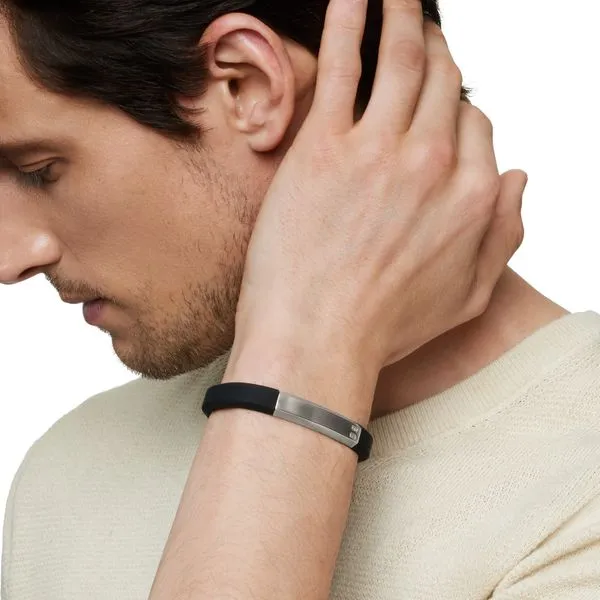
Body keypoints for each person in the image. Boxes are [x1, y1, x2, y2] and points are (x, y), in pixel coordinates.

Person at [1, 0, 599, 597]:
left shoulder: (578, 492)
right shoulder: (71, 468)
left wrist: (311, 351)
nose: (10, 260)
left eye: (38, 169)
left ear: (247, 85)